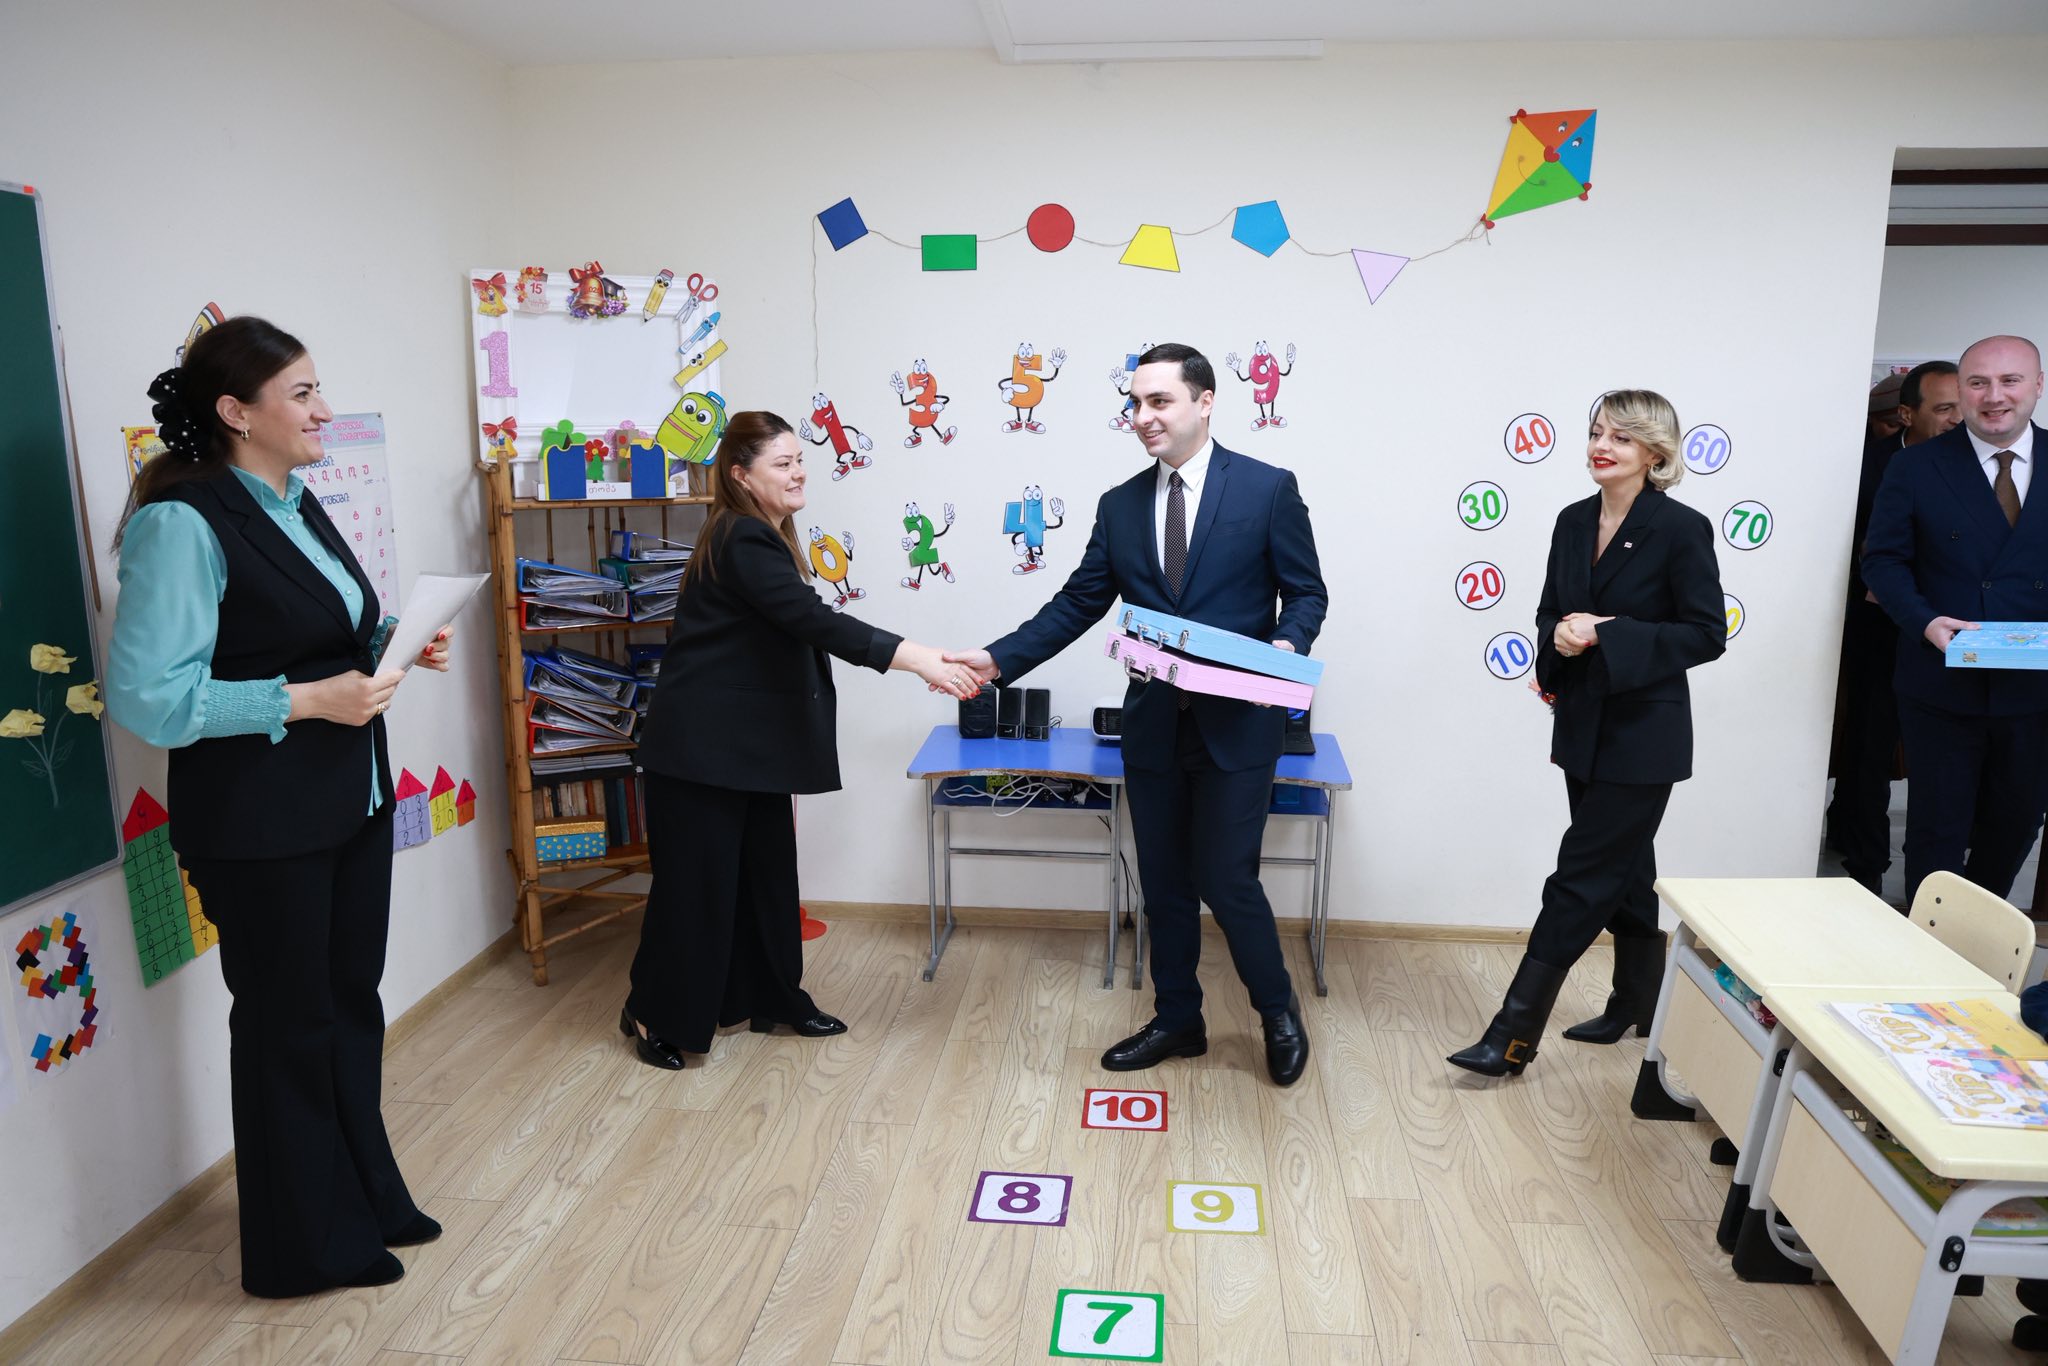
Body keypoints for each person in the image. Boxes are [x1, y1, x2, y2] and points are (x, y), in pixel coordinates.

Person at [104, 317, 455, 1297]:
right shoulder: (181, 523)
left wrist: (391, 640)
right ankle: (301, 1247)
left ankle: (363, 1198)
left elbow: (306, 629)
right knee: (286, 1027)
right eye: (301, 394)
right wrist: (305, 701)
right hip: (262, 824)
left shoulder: (295, 499)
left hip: (348, 800)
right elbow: (150, 699)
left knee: (346, 1009)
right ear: (235, 412)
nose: (324, 410)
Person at [946, 344, 1328, 1087]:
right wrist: (997, 660)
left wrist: (1284, 647)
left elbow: (1306, 593)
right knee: (1164, 884)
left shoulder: (1267, 488)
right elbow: (1078, 603)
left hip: (1238, 726)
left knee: (1227, 878)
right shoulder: (1119, 504)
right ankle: (1178, 1019)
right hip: (1153, 726)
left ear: (1205, 402)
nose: (1143, 417)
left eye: (1160, 401)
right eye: (1135, 404)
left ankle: (1277, 1012)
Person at [624, 411, 975, 1069]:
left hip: (744, 749)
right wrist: (918, 658)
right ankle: (654, 1011)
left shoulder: (762, 534)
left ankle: (773, 998)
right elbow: (813, 620)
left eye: (799, 461)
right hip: (702, 752)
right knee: (696, 891)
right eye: (782, 464)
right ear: (741, 475)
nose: (798, 473)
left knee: (765, 880)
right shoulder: (741, 538)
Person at [1450, 390, 1726, 1078]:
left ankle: (1512, 1035)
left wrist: (1609, 633)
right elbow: (1551, 611)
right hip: (1582, 722)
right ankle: (1639, 1000)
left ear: (1655, 454)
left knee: (1581, 876)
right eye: (1598, 432)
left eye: (1622, 438)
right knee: (1627, 871)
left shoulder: (1680, 528)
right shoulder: (1573, 520)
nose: (1602, 446)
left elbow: (1705, 634)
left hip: (1645, 735)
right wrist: (1560, 643)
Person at [1862, 334, 2048, 904]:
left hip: (2036, 689)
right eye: (1978, 383)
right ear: (1962, 391)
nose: (1994, 396)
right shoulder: (1915, 466)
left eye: (2010, 381)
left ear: (2037, 386)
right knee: (1936, 831)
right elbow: (1882, 560)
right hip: (1940, 683)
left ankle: (1978, 938)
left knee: (2016, 822)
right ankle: (1926, 946)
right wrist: (1923, 621)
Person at [1827, 360, 1961, 895]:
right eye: (1945, 408)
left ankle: (1943, 885)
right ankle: (1867, 870)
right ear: (1907, 414)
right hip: (1878, 627)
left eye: (1963, 407)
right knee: (1871, 746)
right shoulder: (1868, 467)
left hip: (1958, 633)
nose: (1958, 419)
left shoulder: (1981, 467)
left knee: (1946, 756)